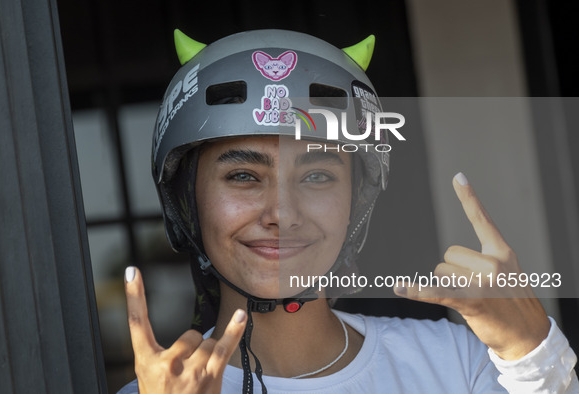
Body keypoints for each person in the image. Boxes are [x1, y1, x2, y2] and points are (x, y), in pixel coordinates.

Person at [118, 29, 578, 393]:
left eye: (317, 176)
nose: (282, 213)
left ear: (357, 202)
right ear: (185, 202)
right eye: (243, 176)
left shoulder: (459, 362)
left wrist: (534, 353)